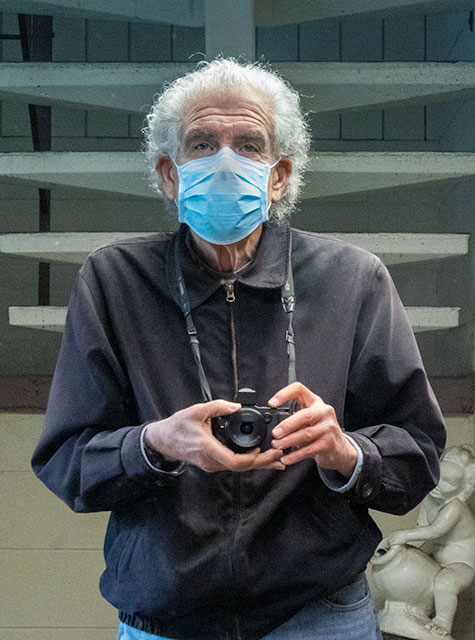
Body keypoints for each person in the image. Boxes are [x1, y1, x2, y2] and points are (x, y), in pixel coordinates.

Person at [32, 58, 446, 640]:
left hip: (318, 612)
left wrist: (344, 451)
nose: (224, 162)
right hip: (167, 618)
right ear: (169, 173)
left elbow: (419, 453)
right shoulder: (114, 281)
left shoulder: (352, 279)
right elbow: (67, 460)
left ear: (279, 176)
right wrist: (156, 444)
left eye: (248, 145)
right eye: (202, 143)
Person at [386, 445, 475, 639]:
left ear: (463, 487)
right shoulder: (431, 499)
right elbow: (421, 531)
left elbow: (434, 531)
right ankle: (415, 613)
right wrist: (400, 548)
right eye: (439, 476)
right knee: (411, 566)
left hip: (462, 565)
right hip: (438, 559)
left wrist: (403, 536)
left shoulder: (456, 508)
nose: (440, 485)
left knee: (445, 583)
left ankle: (443, 622)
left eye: (449, 482)